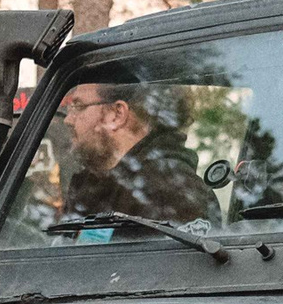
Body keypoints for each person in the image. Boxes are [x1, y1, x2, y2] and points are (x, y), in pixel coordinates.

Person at [61, 81, 220, 226]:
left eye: (78, 106)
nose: (67, 120)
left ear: (117, 115)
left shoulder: (169, 194)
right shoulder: (93, 185)